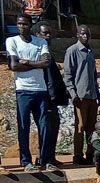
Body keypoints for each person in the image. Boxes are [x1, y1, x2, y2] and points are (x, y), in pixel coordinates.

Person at [6, 14, 52, 173]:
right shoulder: (12, 41)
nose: (22, 27)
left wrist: (27, 62)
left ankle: (44, 160)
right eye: (19, 24)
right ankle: (26, 162)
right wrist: (36, 65)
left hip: (40, 89)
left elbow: (46, 62)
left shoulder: (41, 42)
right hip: (23, 90)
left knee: (45, 126)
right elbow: (14, 66)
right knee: (23, 126)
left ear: (30, 25)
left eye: (25, 24)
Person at [64, 25, 100, 166]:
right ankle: (78, 156)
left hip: (92, 96)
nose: (85, 36)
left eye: (87, 34)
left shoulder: (90, 52)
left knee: (92, 128)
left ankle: (90, 153)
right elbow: (68, 75)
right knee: (80, 127)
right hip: (80, 97)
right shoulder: (72, 51)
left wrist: (98, 94)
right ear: (77, 35)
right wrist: (73, 95)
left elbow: (94, 75)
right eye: (83, 34)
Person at [37, 24, 68, 170]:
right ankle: (45, 159)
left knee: (53, 126)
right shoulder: (40, 54)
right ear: (38, 34)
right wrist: (52, 96)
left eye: (49, 33)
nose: (48, 36)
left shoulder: (48, 52)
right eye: (44, 34)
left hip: (53, 97)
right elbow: (47, 78)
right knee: (47, 128)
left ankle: (50, 157)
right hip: (46, 97)